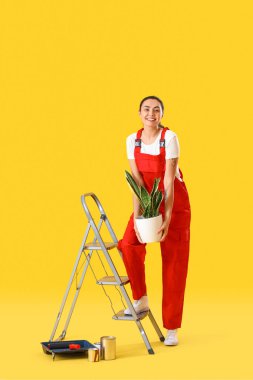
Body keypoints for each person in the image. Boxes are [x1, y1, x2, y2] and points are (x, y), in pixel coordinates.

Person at [117, 96, 191, 346]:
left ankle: (172, 328)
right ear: (139, 113)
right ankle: (140, 298)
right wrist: (138, 217)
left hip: (174, 204)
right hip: (146, 199)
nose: (151, 113)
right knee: (128, 244)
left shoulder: (169, 138)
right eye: (147, 109)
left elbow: (168, 182)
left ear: (162, 114)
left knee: (174, 263)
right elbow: (137, 183)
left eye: (156, 110)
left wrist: (168, 216)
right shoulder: (131, 140)